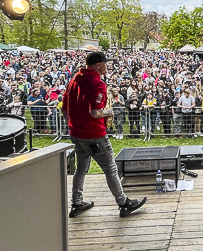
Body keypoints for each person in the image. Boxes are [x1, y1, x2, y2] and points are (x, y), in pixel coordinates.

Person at [61, 51, 146, 218]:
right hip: (94, 134)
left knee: (81, 169)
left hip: (76, 133)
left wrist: (74, 125)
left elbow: (65, 110)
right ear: (98, 65)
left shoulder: (73, 81)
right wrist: (109, 111)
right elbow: (95, 112)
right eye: (106, 63)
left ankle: (76, 203)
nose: (107, 66)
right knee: (110, 168)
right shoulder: (97, 83)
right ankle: (123, 203)